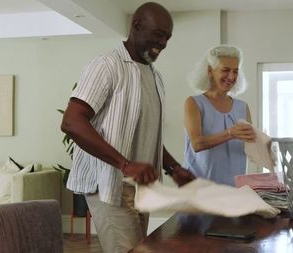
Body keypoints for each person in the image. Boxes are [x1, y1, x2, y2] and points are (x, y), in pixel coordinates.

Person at [60, 2, 195, 252]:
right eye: (158, 34)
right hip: (109, 185)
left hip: (140, 189)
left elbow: (147, 133)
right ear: (136, 26)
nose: (163, 43)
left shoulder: (155, 76)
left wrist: (173, 167)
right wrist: (125, 164)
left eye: (167, 37)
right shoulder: (106, 66)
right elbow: (71, 121)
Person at [183, 45, 256, 186]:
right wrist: (231, 133)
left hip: (233, 189)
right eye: (226, 70)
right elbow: (197, 144)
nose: (231, 76)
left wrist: (264, 146)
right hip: (198, 188)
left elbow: (251, 148)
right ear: (210, 71)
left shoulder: (243, 107)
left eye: (235, 71)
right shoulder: (194, 103)